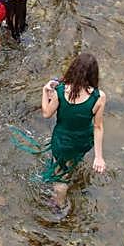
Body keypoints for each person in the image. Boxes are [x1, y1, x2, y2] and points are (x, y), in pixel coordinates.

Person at [39, 53, 107, 208]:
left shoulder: (60, 91)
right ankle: (72, 167)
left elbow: (46, 113)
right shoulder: (99, 96)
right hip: (83, 141)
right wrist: (98, 157)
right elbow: (98, 126)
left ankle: (59, 205)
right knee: (73, 161)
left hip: (63, 142)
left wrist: (45, 91)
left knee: (60, 176)